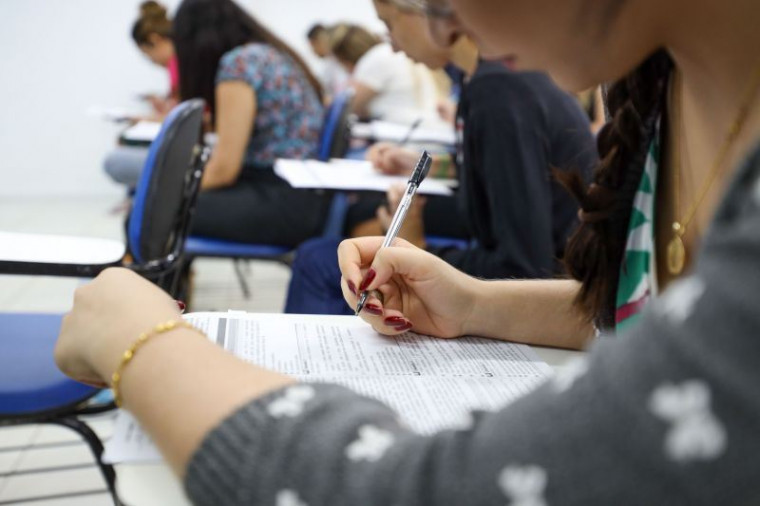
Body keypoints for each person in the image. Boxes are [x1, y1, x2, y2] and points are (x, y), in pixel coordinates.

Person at [55, 0, 760, 504]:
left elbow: (430, 488)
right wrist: (475, 302)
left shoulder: (516, 89)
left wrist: (142, 341)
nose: (447, 28)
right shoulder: (660, 87)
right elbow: (651, 316)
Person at [283, 0, 596, 315]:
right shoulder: (489, 80)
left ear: (427, 12)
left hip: (553, 297)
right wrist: (438, 166)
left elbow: (523, 266)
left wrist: (421, 251)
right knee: (345, 243)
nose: (391, 46)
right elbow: (509, 173)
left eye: (390, 23)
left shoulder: (497, 93)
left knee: (318, 261)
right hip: (549, 271)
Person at [173, 0, 329, 247]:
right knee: (165, 204)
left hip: (282, 201)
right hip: (301, 196)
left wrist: (162, 193)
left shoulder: (238, 64)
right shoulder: (269, 53)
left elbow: (224, 171)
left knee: (152, 212)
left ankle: (142, 283)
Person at [103, 1, 180, 189]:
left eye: (147, 54)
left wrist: (141, 118)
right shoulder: (179, 65)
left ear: (155, 40)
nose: (151, 61)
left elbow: (180, 117)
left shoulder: (177, 65)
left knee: (118, 154)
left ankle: (137, 203)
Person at [330, 23, 441, 123]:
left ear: (346, 59)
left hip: (407, 134)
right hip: (431, 127)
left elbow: (348, 108)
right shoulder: (387, 53)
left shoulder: (374, 59)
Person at [306, 23, 350, 101]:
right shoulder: (329, 66)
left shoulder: (341, 60)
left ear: (317, 42)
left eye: (312, 46)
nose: (313, 51)